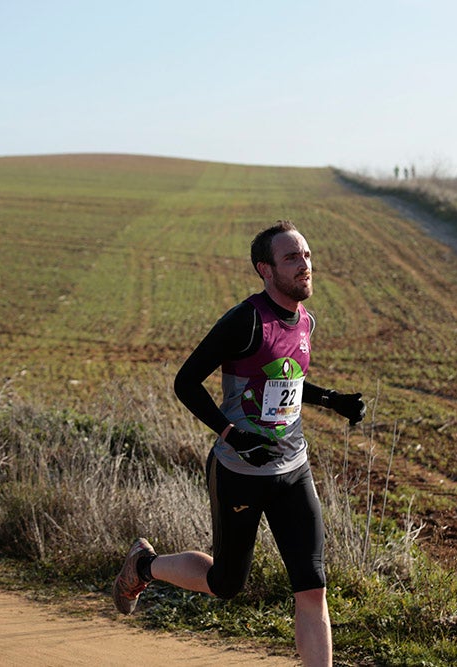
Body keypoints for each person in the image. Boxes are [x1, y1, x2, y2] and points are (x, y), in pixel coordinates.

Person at [112, 220, 365, 667]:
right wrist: (232, 434)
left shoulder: (305, 320)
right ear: (264, 270)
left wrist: (331, 399)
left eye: (306, 255)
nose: (304, 265)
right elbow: (186, 382)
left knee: (313, 587)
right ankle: (144, 565)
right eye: (291, 258)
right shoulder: (246, 320)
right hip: (239, 473)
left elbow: (286, 379)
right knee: (227, 583)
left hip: (293, 469)